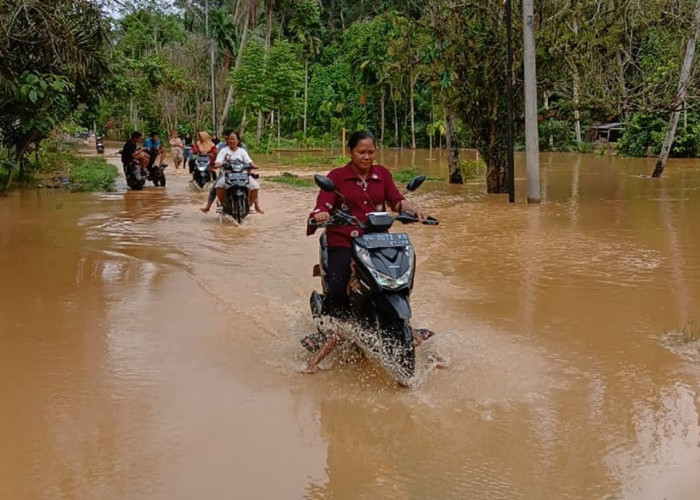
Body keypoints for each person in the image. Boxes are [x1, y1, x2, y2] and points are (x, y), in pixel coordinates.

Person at [301, 130, 425, 374]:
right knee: (339, 286)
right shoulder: (337, 177)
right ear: (350, 152)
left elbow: (397, 201)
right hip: (344, 241)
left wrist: (413, 209)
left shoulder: (383, 175)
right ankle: (328, 329)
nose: (366, 157)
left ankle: (399, 322)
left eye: (370, 152)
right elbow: (322, 203)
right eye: (361, 152)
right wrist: (321, 214)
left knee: (396, 277)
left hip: (377, 241)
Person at [200, 131, 264, 214]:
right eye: (230, 139)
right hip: (227, 174)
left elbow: (249, 161)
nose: (231, 141)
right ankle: (223, 205)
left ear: (238, 140)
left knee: (255, 186)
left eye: (233, 139)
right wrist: (218, 164)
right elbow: (218, 160)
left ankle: (251, 205)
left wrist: (253, 165)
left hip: (242, 175)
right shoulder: (223, 150)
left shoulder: (242, 151)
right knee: (218, 186)